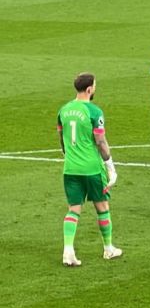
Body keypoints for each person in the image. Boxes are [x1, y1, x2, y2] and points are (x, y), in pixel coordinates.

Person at [57, 72, 121, 266]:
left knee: (73, 209)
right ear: (89, 89)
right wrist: (110, 165)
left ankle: (68, 251)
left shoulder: (64, 110)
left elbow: (61, 140)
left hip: (70, 168)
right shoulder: (94, 111)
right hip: (92, 168)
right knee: (102, 207)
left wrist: (68, 156)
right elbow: (100, 141)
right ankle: (108, 249)